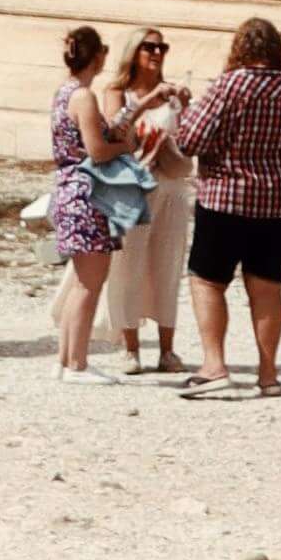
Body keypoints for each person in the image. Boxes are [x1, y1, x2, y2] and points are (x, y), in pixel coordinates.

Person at [180, 18, 281, 392]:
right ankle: (268, 373)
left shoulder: (228, 86)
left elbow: (189, 139)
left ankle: (214, 365)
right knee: (267, 286)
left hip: (228, 195)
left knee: (207, 280)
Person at [99, 33, 192, 371]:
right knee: (128, 266)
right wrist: (146, 102)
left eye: (161, 47)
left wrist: (186, 106)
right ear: (134, 52)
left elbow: (189, 138)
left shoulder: (172, 94)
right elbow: (113, 130)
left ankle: (167, 350)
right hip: (132, 190)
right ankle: (130, 348)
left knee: (168, 265)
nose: (156, 52)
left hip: (171, 186)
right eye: (149, 47)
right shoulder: (117, 92)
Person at [46, 23, 126, 371]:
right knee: (90, 283)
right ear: (96, 57)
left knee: (81, 281)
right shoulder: (83, 96)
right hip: (87, 193)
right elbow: (97, 149)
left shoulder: (64, 92)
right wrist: (127, 146)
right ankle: (77, 363)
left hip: (69, 190)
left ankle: (66, 359)